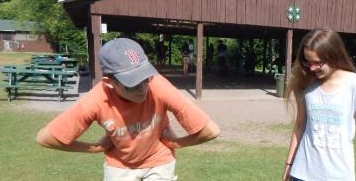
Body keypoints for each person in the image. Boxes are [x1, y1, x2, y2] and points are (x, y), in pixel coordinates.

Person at [36, 38, 220, 181]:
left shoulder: (158, 85)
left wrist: (176, 143)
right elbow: (46, 138)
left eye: (145, 78)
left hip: (159, 161)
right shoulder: (95, 100)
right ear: (109, 83)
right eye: (132, 84)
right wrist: (95, 148)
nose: (143, 88)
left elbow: (211, 130)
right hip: (119, 165)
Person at [282, 28, 356, 181]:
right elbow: (300, 127)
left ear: (334, 56)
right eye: (308, 62)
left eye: (318, 63)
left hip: (339, 175)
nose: (312, 68)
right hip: (302, 173)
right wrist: (288, 165)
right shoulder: (306, 84)